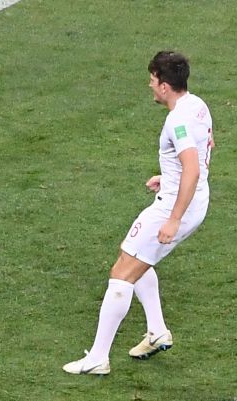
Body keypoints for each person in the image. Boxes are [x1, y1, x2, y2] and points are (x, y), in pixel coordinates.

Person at [63, 51, 214, 375]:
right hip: (192, 199)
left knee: (122, 274)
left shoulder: (177, 120)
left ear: (163, 84)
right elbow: (199, 156)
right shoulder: (197, 105)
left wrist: (173, 218)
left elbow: (191, 168)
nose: (149, 86)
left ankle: (98, 359)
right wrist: (167, 175)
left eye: (152, 80)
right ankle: (157, 330)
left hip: (176, 207)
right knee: (132, 255)